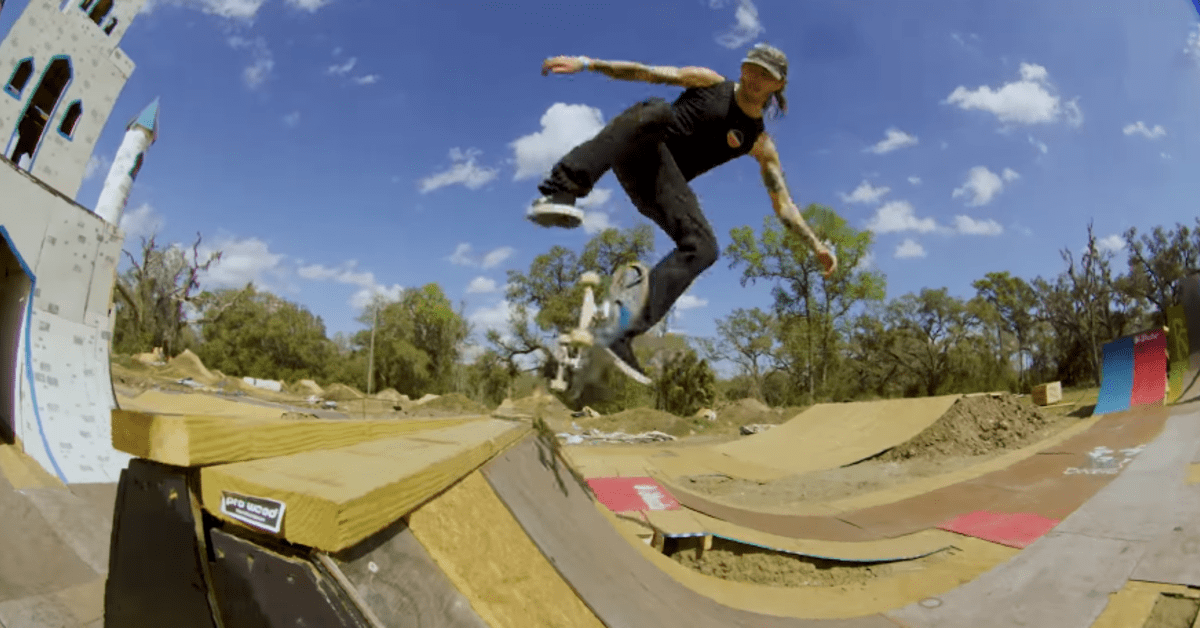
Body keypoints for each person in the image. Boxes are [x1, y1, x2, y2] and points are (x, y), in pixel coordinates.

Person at [528, 43, 838, 384]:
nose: (756, 79)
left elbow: (784, 204)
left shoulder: (759, 143)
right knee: (658, 109)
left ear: (777, 85)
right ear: (743, 67)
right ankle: (562, 190)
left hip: (658, 186)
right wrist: (587, 63)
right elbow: (646, 72)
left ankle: (621, 332)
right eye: (753, 68)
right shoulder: (709, 82)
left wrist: (815, 245)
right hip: (638, 142)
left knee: (704, 247)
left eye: (766, 76)